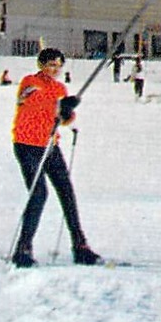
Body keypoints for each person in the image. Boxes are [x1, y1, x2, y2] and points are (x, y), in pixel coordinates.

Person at [11, 48, 100, 267]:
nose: (55, 69)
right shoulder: (29, 82)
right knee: (39, 194)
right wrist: (59, 105)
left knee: (67, 192)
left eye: (59, 66)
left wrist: (68, 113)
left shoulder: (60, 87)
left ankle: (80, 246)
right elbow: (33, 101)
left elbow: (61, 117)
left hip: (50, 145)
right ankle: (23, 248)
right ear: (41, 65)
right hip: (28, 145)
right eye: (51, 65)